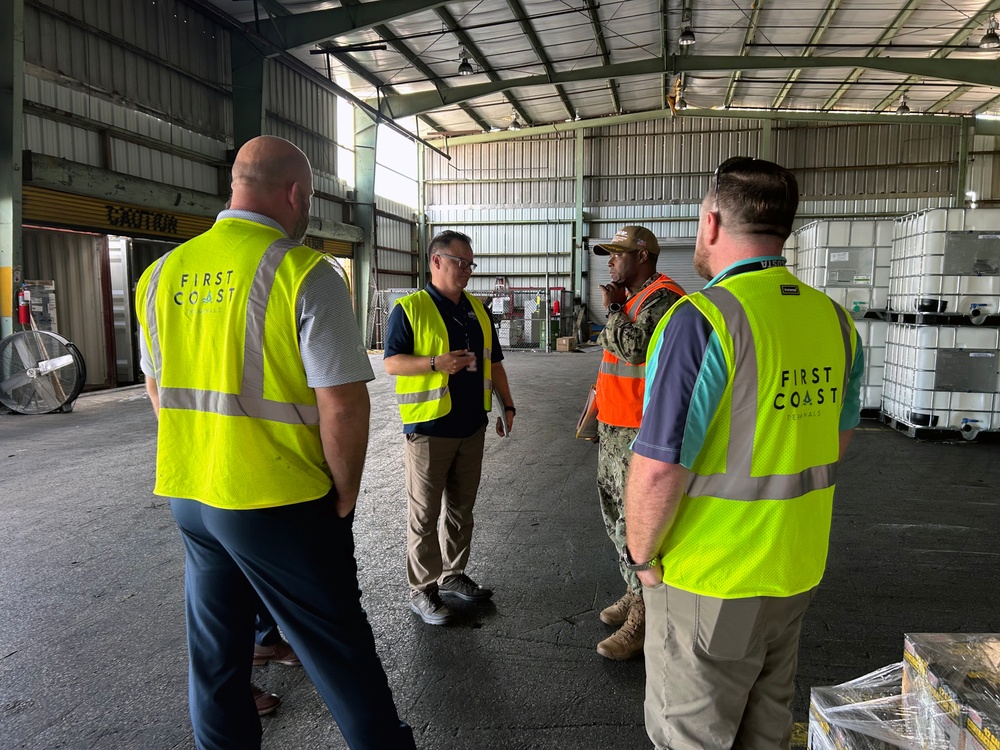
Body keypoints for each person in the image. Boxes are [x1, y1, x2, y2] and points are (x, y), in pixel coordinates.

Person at [135, 135, 415, 750]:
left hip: (193, 494)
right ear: (294, 193)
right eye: (308, 198)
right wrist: (343, 494)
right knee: (339, 649)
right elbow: (342, 403)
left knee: (216, 656)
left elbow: (159, 392)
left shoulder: (160, 275)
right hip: (276, 500)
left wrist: (203, 454)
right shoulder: (304, 272)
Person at [624, 157, 864, 750]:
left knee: (692, 733)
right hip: (795, 567)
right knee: (767, 729)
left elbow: (658, 469)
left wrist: (643, 559)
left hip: (713, 577)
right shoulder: (832, 320)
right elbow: (837, 437)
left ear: (710, 223)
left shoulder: (703, 321)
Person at [383, 230, 516, 626]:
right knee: (424, 514)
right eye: (461, 263)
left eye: (471, 264)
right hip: (429, 428)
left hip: (470, 425)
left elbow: (491, 363)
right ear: (436, 261)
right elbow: (391, 362)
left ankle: (454, 573)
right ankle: (423, 589)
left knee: (462, 508)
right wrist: (433, 364)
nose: (467, 271)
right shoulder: (409, 309)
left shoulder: (477, 309)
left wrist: (507, 404)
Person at [591, 226, 684, 661]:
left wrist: (611, 311)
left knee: (639, 523)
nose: (610, 261)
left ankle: (645, 615)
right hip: (614, 425)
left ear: (642, 256)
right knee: (615, 516)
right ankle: (634, 590)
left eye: (617, 254)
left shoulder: (663, 297)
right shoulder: (630, 300)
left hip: (639, 433)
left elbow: (634, 348)